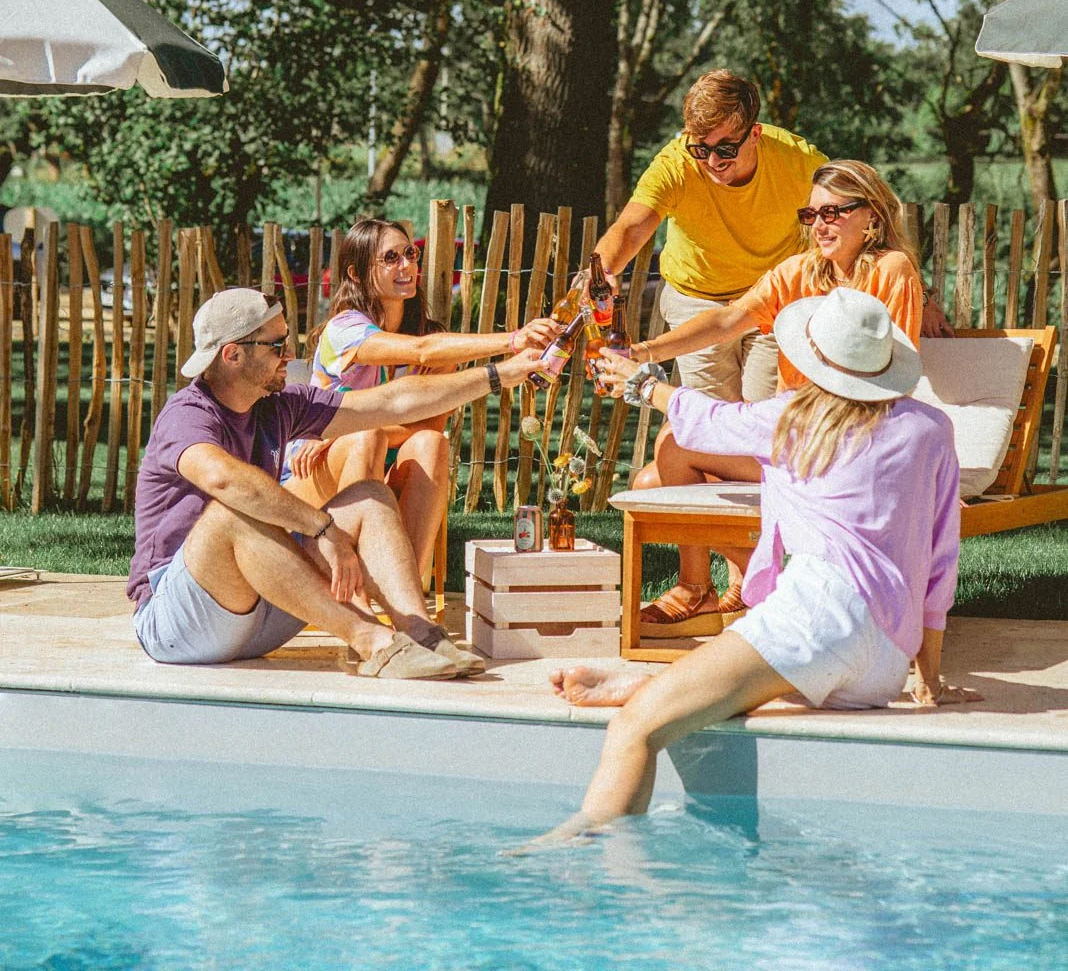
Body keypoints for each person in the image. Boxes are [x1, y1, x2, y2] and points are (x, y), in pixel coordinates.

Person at [539, 288, 973, 843]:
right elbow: (941, 557)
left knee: (635, 728)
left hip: (818, 618)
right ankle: (661, 686)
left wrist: (643, 383)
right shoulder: (931, 429)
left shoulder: (795, 418)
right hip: (884, 662)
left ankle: (576, 850)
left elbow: (708, 419)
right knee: (727, 698)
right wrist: (928, 679)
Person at [128, 287, 540, 680]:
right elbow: (223, 479)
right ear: (233, 354)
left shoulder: (278, 407)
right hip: (177, 623)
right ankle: (375, 644)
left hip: (259, 614)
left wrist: (502, 374)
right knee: (230, 514)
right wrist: (322, 528)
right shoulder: (188, 414)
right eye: (277, 345)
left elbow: (393, 401)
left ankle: (423, 637)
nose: (290, 355)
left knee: (370, 497)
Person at [630, 160, 928, 636]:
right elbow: (727, 320)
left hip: (847, 442)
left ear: (872, 215)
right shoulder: (799, 272)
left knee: (674, 445)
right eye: (811, 215)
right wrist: (644, 351)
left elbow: (893, 377)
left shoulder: (891, 270)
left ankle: (713, 589)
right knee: (651, 482)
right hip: (792, 436)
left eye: (833, 213)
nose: (819, 226)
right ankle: (730, 586)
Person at [285, 218, 555, 578]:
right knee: (366, 438)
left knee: (430, 443)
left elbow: (426, 427)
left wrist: (349, 432)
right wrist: (513, 341)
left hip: (379, 473)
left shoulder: (434, 342)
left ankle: (404, 592)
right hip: (309, 480)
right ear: (356, 273)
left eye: (410, 254)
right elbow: (421, 351)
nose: (406, 265)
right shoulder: (344, 330)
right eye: (391, 258)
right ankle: (350, 590)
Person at [592, 70, 827, 402]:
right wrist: (604, 268)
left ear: (755, 134)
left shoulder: (799, 161)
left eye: (726, 149)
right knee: (712, 418)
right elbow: (630, 228)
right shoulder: (676, 163)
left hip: (772, 299)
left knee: (766, 414)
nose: (713, 161)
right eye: (701, 149)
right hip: (697, 300)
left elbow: (853, 212)